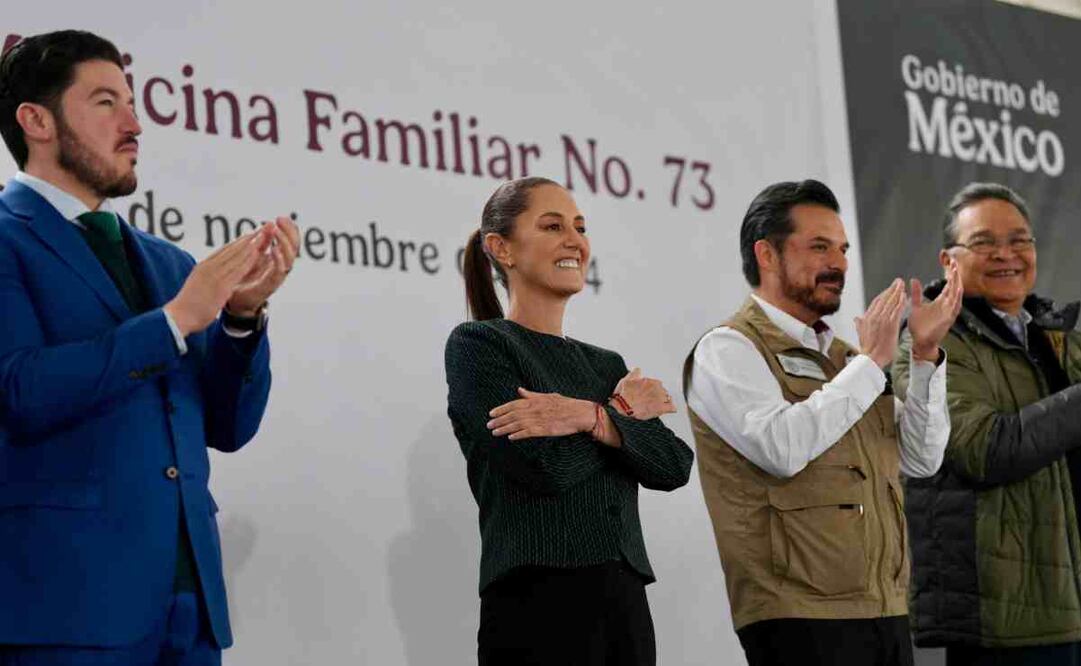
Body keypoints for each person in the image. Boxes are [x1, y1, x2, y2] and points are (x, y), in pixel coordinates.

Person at [0, 30, 299, 665]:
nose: (135, 123)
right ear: (36, 120)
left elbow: (228, 426)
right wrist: (173, 322)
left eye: (133, 102)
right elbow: (17, 391)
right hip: (64, 610)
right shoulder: (6, 237)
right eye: (106, 102)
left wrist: (241, 318)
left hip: (189, 609)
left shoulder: (169, 263)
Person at [683, 179, 961, 666]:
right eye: (818, 247)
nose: (839, 263)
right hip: (798, 614)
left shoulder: (849, 360)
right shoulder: (728, 348)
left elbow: (921, 458)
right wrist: (872, 365)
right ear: (766, 255)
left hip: (885, 607)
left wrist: (923, 356)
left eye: (842, 248)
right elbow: (781, 448)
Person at [444, 176, 694, 666]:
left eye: (580, 227)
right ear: (502, 248)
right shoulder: (480, 346)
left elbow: (673, 466)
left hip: (624, 605)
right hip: (536, 603)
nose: (575, 241)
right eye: (553, 225)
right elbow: (545, 469)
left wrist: (586, 416)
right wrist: (619, 417)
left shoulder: (606, 365)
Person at [893, 182, 1081, 666]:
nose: (1006, 255)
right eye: (984, 243)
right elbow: (985, 449)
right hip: (1008, 625)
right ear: (948, 261)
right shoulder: (927, 348)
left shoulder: (1061, 340)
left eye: (1020, 240)